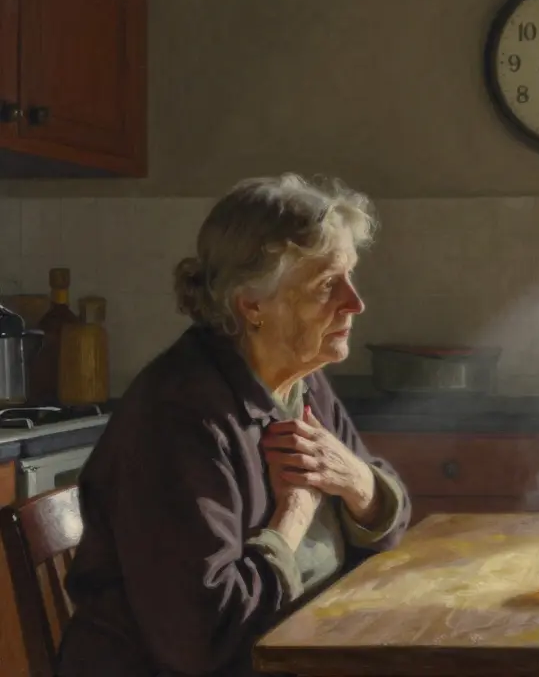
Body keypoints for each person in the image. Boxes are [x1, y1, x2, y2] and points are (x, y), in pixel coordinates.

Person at [56, 174, 411, 677]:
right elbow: (202, 638)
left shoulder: (299, 381)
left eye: (350, 277)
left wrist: (356, 480)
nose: (355, 303)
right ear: (252, 306)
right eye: (328, 284)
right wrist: (292, 517)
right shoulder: (180, 417)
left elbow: (391, 526)